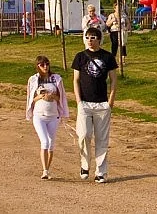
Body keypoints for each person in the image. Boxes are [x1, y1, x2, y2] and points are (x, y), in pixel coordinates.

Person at [72, 26, 118, 183]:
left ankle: (101, 172)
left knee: (102, 139)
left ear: (99, 39)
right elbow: (76, 80)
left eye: (93, 37)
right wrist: (78, 101)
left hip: (102, 105)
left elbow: (113, 80)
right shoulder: (80, 57)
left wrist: (110, 102)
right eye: (87, 37)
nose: (90, 40)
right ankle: (85, 165)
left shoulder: (108, 57)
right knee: (83, 135)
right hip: (84, 103)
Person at [26, 55, 69, 180]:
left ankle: (47, 170)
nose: (45, 67)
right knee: (44, 141)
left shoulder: (56, 79)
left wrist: (52, 97)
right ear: (38, 66)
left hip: (53, 116)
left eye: (47, 64)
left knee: (51, 143)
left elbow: (61, 97)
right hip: (39, 116)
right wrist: (40, 97)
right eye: (42, 65)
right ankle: (44, 170)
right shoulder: (34, 80)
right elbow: (31, 99)